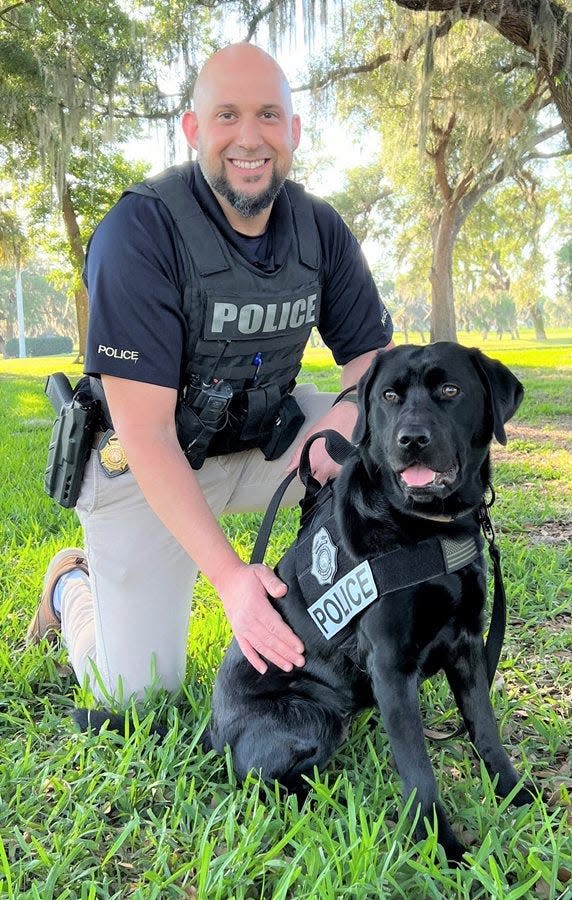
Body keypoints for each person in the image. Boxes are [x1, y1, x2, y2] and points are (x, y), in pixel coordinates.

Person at [27, 43, 394, 705]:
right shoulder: (139, 231)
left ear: (293, 133)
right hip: (143, 468)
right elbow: (144, 433)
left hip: (262, 447)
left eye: (268, 116)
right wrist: (231, 578)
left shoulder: (320, 229)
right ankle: (69, 588)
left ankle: (376, 637)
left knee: (389, 440)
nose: (249, 138)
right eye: (226, 116)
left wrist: (351, 410)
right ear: (194, 130)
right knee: (135, 694)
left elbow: (372, 363)